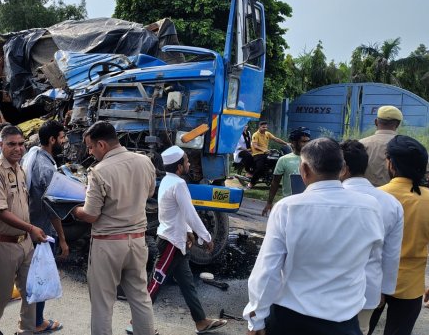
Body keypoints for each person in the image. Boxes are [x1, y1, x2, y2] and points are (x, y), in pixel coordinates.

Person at [243, 138, 383, 335]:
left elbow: (267, 270)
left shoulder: (288, 208)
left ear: (304, 170)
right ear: (343, 168)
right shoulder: (370, 207)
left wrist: (256, 319)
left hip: (290, 320)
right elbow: (373, 263)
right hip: (344, 320)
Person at [72, 121, 156, 335]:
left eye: (90, 147)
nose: (90, 152)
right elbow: (149, 193)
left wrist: (74, 210)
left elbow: (91, 215)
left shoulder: (99, 171)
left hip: (108, 244)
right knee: (140, 297)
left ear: (102, 145)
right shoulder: (145, 161)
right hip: (137, 240)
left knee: (102, 304)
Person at [145, 146, 227, 334]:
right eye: (187, 161)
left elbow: (178, 212)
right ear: (180, 167)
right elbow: (190, 213)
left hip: (176, 241)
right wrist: (206, 237)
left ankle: (201, 321)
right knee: (156, 282)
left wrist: (189, 231)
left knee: (187, 284)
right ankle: (137, 322)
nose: (189, 163)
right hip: (170, 243)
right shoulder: (179, 184)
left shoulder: (168, 180)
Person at [0, 125, 47, 335]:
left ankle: (26, 330)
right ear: (1, 145)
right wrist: (31, 228)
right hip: (2, 243)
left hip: (25, 241)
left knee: (30, 291)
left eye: (21, 144)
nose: (18, 148)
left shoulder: (19, 167)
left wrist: (30, 231)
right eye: (12, 144)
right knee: (1, 294)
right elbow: (0, 211)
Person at [339, 140, 404, 335]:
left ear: (342, 168)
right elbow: (391, 255)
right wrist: (384, 290)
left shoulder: (327, 199)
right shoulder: (391, 203)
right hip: (368, 290)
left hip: (325, 292)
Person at [370, 135, 429, 335]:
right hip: (410, 285)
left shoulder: (373, 197)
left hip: (372, 281)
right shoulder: (427, 200)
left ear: (391, 164)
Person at [21, 120, 67, 333]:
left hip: (32, 225)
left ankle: (30, 320)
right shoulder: (46, 166)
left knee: (32, 275)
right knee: (39, 276)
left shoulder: (35, 155)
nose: (65, 141)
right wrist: (62, 238)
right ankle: (36, 322)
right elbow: (52, 207)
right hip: (41, 229)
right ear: (52, 140)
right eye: (62, 137)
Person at [261, 127, 311, 216]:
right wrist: (269, 202)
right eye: (303, 141)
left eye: (308, 141)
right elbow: (275, 183)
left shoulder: (314, 159)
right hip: (289, 207)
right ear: (293, 142)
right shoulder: (283, 160)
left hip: (308, 206)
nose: (306, 144)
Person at [360, 105, 403, 187]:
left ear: (376, 122)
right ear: (397, 124)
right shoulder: (405, 146)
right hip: (396, 197)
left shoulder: (361, 144)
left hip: (365, 196)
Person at [248, 121, 287, 189]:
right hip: (257, 154)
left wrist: (286, 143)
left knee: (276, 161)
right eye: (263, 127)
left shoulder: (267, 134)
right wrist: (263, 150)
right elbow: (255, 145)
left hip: (266, 153)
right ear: (259, 127)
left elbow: (276, 139)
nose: (265, 128)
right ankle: (251, 183)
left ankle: (270, 177)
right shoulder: (255, 135)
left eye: (266, 127)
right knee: (260, 168)